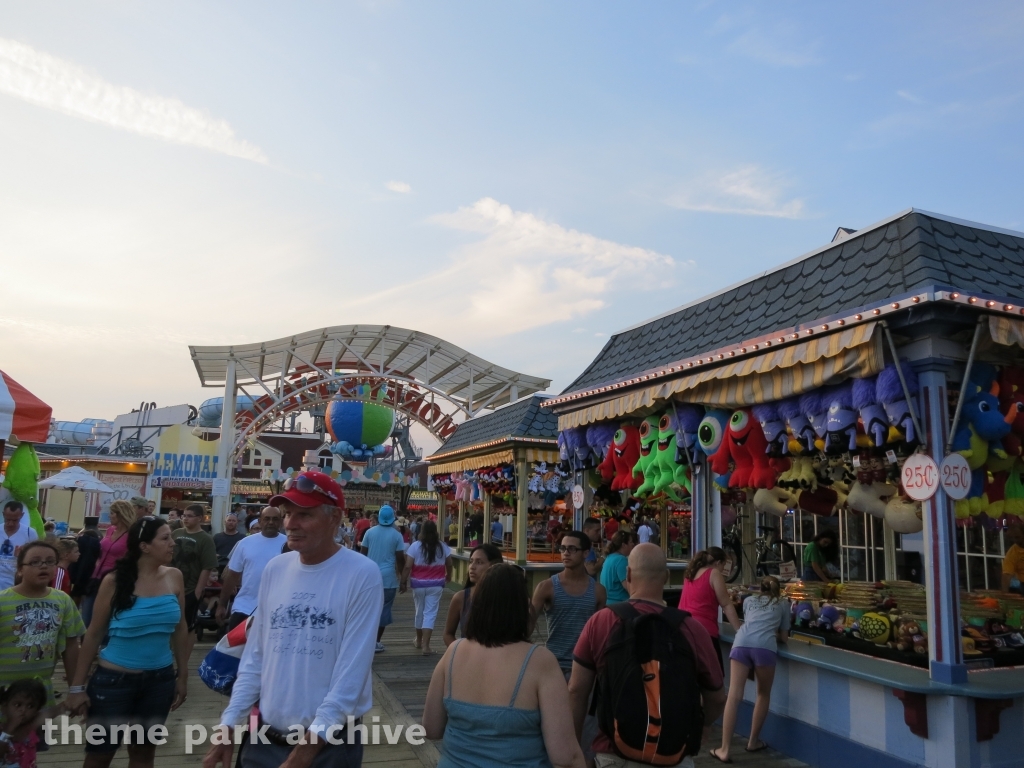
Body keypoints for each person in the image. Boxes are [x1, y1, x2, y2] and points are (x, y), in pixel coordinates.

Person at [204, 470, 382, 768]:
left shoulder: (361, 573)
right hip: (263, 736)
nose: (290, 524)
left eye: (304, 515)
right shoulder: (276, 568)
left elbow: (352, 671)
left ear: (334, 518)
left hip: (328, 743)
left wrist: (306, 751)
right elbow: (256, 656)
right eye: (288, 514)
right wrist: (230, 722)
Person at [569, 544, 726, 768]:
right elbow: (717, 697)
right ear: (667, 577)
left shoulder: (601, 622)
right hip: (673, 755)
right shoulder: (692, 628)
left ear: (629, 574)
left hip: (614, 754)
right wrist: (700, 726)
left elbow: (576, 691)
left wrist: (574, 749)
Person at [424, 564, 585, 768]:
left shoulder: (453, 652)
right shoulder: (540, 661)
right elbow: (565, 757)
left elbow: (431, 729)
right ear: (523, 605)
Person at [66, 517, 188, 767]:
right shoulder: (114, 581)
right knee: (100, 755)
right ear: (144, 546)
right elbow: (93, 634)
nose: (172, 543)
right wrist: (77, 688)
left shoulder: (175, 576)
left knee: (144, 753)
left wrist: (182, 675)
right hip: (114, 682)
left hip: (160, 681)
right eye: (165, 538)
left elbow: (180, 628)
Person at [712, 575, 791, 763]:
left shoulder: (748, 600)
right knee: (763, 694)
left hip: (741, 643)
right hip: (764, 647)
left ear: (759, 589)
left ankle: (724, 749)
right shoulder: (783, 603)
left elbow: (751, 623)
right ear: (778, 590)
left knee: (733, 695)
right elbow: (784, 637)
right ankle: (753, 742)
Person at [0, 541, 85, 706]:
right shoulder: (3, 601)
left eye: (50, 561)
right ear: (20, 569)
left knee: (39, 731)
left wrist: (75, 690)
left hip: (41, 693)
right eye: (35, 562)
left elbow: (70, 646)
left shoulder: (63, 601)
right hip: (4, 692)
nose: (43, 566)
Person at [532, 531, 607, 679]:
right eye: (563, 548)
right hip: (553, 665)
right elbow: (527, 626)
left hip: (585, 666)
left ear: (586, 553)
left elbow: (600, 634)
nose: (566, 553)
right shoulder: (546, 587)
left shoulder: (598, 591)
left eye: (572, 549)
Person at [216, 506, 285, 630]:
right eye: (267, 519)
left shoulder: (289, 545)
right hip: (244, 607)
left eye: (275, 519)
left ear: (281, 522)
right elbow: (232, 576)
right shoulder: (245, 543)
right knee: (236, 648)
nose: (271, 522)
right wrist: (222, 605)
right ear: (260, 520)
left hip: (277, 609)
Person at [678, 547, 742, 670]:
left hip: (684, 629)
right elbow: (726, 604)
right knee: (714, 679)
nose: (723, 570)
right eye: (723, 566)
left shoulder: (690, 573)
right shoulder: (714, 573)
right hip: (704, 632)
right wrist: (740, 630)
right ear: (718, 563)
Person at [171, 504, 218, 662]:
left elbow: (207, 566)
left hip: (190, 588)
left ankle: (183, 660)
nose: (185, 518)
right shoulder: (176, 533)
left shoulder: (205, 539)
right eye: (184, 515)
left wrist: (198, 591)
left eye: (189, 516)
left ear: (200, 518)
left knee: (188, 626)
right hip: (170, 587)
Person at [401, 520, 452, 655]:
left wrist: (402, 581)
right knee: (430, 614)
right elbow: (450, 563)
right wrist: (449, 576)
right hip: (436, 585)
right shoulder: (442, 546)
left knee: (420, 611)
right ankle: (426, 646)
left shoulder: (415, 546)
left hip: (418, 585)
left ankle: (418, 640)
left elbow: (407, 566)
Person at [80, 500, 135, 627]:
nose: (109, 516)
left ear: (120, 514)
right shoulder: (110, 530)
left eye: (112, 513)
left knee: (107, 619)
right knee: (87, 618)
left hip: (115, 579)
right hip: (96, 577)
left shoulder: (132, 535)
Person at [360, 505, 406, 653]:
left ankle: (366, 641)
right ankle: (376, 641)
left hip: (370, 577)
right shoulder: (396, 535)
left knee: (368, 610)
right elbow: (400, 559)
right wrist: (403, 579)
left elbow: (362, 555)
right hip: (388, 579)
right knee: (384, 610)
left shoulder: (369, 532)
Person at [444, 544, 503, 646]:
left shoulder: (507, 597)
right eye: (471, 561)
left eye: (479, 562)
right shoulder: (461, 598)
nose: (472, 567)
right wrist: (461, 653)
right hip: (469, 658)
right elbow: (448, 634)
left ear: (494, 565)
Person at [0, 678, 57, 768]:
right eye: (17, 704)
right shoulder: (2, 730)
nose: (23, 710)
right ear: (4, 707)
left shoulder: (30, 727)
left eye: (30, 706)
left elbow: (51, 712)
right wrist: (9, 729)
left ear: (36, 711)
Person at [0, 502, 39, 592]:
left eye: (15, 520)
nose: (10, 523)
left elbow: (36, 559)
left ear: (22, 515)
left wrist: (23, 555)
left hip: (16, 581)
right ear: (3, 514)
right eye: (7, 519)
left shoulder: (30, 533)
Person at [599, 531, 638, 605]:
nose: (633, 544)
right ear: (624, 545)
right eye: (631, 542)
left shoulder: (609, 557)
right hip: (620, 605)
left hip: (608, 603)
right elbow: (628, 587)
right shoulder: (621, 560)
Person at [70, 519, 101, 607]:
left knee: (76, 593)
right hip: (90, 570)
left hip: (78, 568)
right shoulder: (99, 534)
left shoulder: (81, 535)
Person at [1002, 524, 1024, 593]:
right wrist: (1005, 594)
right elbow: (1007, 574)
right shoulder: (1012, 552)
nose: (1015, 540)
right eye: (1013, 538)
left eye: (1017, 537)